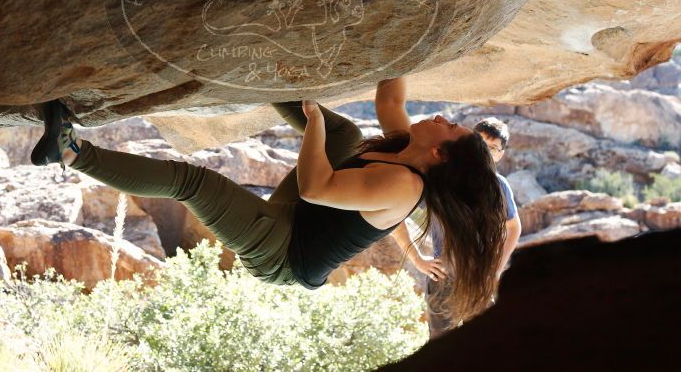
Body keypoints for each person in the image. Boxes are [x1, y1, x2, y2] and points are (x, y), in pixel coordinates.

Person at [30, 95, 507, 322]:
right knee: (347, 138)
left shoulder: (404, 184)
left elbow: (318, 186)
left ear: (440, 154)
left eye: (451, 128)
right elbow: (391, 95)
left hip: (283, 254)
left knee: (192, 182)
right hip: (298, 218)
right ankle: (260, 79)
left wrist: (315, 118)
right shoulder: (405, 146)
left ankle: (69, 152)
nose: (445, 117)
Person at [380, 79, 521, 337]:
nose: (486, 153)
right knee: (441, 347)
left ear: (501, 154)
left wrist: (497, 268)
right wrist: (417, 259)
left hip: (480, 276)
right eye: (480, 144)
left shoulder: (498, 186)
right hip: (443, 276)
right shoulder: (441, 180)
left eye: (493, 149)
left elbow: (513, 226)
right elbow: (393, 214)